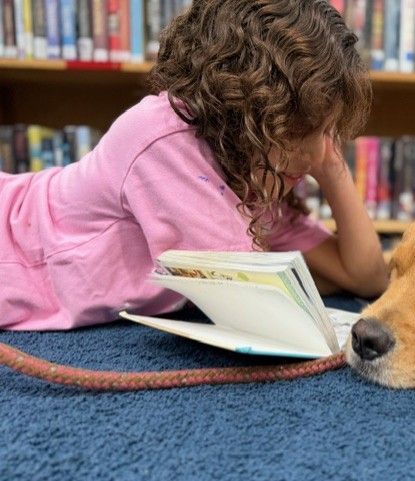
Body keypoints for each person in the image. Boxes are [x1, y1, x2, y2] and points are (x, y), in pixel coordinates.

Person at [0, 0, 388, 331]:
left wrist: (333, 167)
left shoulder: (258, 185)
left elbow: (368, 277)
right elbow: (255, 303)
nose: (314, 154)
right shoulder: (162, 134)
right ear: (243, 105)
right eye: (300, 129)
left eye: (326, 132)